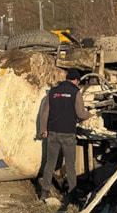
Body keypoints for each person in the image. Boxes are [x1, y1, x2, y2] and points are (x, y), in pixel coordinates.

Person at [38, 68, 94, 200]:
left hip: (53, 132)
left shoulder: (53, 92)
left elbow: (45, 112)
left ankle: (44, 192)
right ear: (76, 80)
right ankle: (72, 194)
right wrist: (89, 114)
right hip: (68, 133)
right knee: (70, 165)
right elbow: (80, 114)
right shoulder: (76, 92)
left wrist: (43, 129)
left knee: (50, 163)